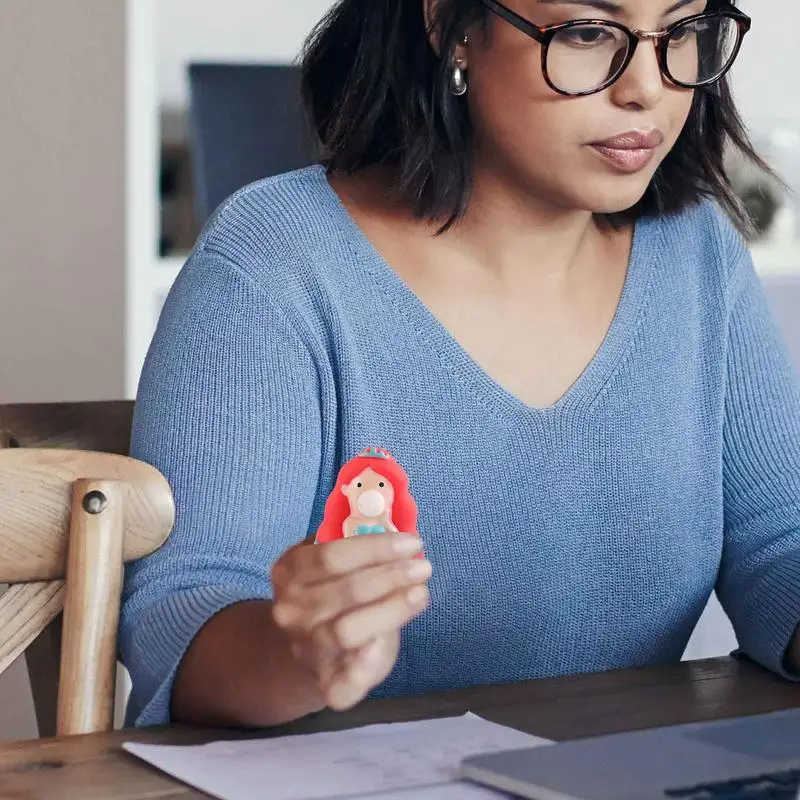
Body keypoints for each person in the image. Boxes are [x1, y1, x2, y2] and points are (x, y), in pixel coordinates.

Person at [120, 0, 800, 730]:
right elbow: (182, 626)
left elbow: (777, 542)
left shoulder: (697, 253)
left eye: (684, 32)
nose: (647, 87)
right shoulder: (272, 264)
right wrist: (294, 654)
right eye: (587, 32)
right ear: (450, 27)